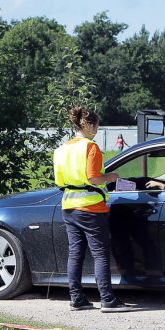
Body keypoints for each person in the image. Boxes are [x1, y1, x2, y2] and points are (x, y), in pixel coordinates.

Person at [53, 106, 135, 313]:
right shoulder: (90, 147)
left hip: (69, 205)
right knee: (100, 254)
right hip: (91, 208)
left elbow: (59, 180)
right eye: (97, 125)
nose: (98, 129)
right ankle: (107, 299)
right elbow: (93, 177)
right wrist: (111, 177)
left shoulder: (62, 149)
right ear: (88, 125)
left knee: (75, 254)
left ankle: (77, 299)